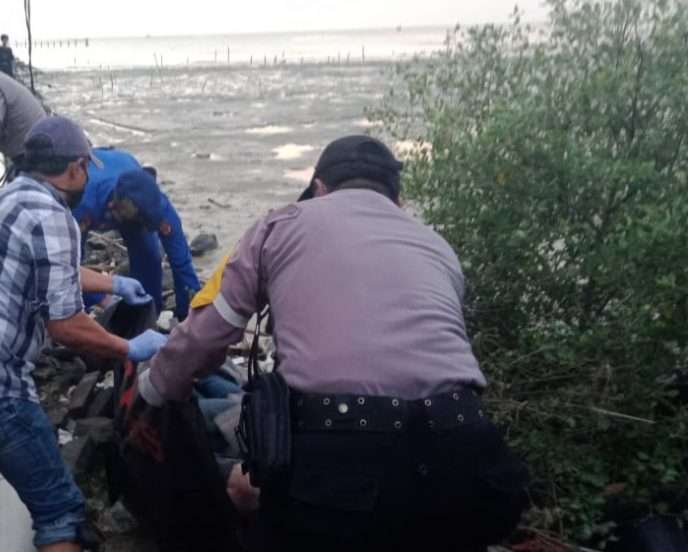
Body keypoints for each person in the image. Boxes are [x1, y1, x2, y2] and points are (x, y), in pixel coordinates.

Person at [134, 136, 529, 550]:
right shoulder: (438, 246)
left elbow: (206, 336)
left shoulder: (280, 224)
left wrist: (153, 393)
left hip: (337, 461)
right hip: (467, 450)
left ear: (319, 188)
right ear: (398, 199)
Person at [0, 116, 168, 551]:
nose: (87, 177)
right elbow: (65, 326)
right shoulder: (54, 217)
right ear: (75, 167)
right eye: (86, 167)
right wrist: (128, 347)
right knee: (60, 509)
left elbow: (53, 268)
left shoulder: (10, 196)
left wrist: (112, 283)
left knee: (41, 475)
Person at [72, 148, 201, 320]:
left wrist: (190, 316)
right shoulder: (82, 202)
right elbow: (67, 267)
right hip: (97, 185)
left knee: (150, 256)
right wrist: (102, 300)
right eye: (140, 223)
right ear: (112, 206)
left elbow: (182, 263)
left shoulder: (157, 206)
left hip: (126, 174)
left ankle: (149, 311)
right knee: (73, 267)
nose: (144, 228)